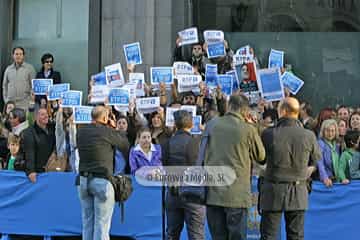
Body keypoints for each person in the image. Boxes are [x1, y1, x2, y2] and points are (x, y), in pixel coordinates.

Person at [204, 94, 265, 240]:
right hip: (236, 195)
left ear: (228, 106)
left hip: (213, 193)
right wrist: (255, 127)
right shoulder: (248, 129)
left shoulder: (212, 125)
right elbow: (261, 157)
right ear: (245, 110)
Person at [259, 97, 321, 240]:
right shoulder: (309, 135)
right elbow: (316, 161)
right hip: (298, 190)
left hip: (272, 191)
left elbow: (261, 159)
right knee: (296, 236)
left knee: (269, 236)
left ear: (283, 111)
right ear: (297, 112)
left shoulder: (268, 134)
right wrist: (305, 173)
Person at [76, 106, 129, 240]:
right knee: (102, 225)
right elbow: (124, 144)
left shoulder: (81, 131)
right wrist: (114, 129)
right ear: (105, 118)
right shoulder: (106, 131)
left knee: (87, 223)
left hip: (83, 180)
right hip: (102, 181)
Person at [164, 110, 205, 240]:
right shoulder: (195, 142)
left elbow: (164, 166)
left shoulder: (167, 143)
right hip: (193, 194)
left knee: (172, 233)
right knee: (196, 234)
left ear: (175, 125)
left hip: (173, 192)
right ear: (192, 124)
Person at [23, 108, 56, 182]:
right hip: (39, 172)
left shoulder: (52, 127)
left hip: (52, 169)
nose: (46, 116)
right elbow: (29, 152)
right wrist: (31, 171)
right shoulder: (29, 132)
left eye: (46, 114)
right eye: (42, 114)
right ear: (36, 117)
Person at [316, 119, 342, 187]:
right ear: (323, 131)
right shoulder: (320, 143)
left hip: (336, 180)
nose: (330, 133)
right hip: (326, 181)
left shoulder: (336, 144)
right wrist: (325, 178)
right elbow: (319, 162)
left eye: (332, 131)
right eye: (327, 130)